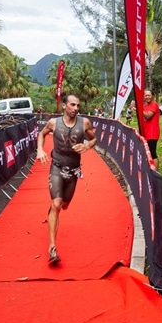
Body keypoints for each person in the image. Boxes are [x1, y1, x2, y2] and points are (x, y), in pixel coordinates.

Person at [36, 94, 97, 265]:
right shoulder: (53, 123)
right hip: (56, 167)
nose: (76, 108)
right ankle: (52, 247)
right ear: (64, 106)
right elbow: (41, 134)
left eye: (77, 105)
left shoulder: (84, 123)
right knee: (56, 204)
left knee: (64, 205)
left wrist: (87, 145)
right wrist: (40, 150)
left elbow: (93, 138)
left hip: (74, 171)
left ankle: (54, 210)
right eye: (72, 105)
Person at [142, 90, 161, 170]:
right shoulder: (144, 106)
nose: (147, 97)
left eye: (149, 95)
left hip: (152, 133)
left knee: (153, 153)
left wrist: (139, 109)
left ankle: (156, 172)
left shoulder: (154, 105)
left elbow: (148, 116)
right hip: (145, 133)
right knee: (147, 152)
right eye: (146, 95)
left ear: (152, 96)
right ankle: (150, 169)